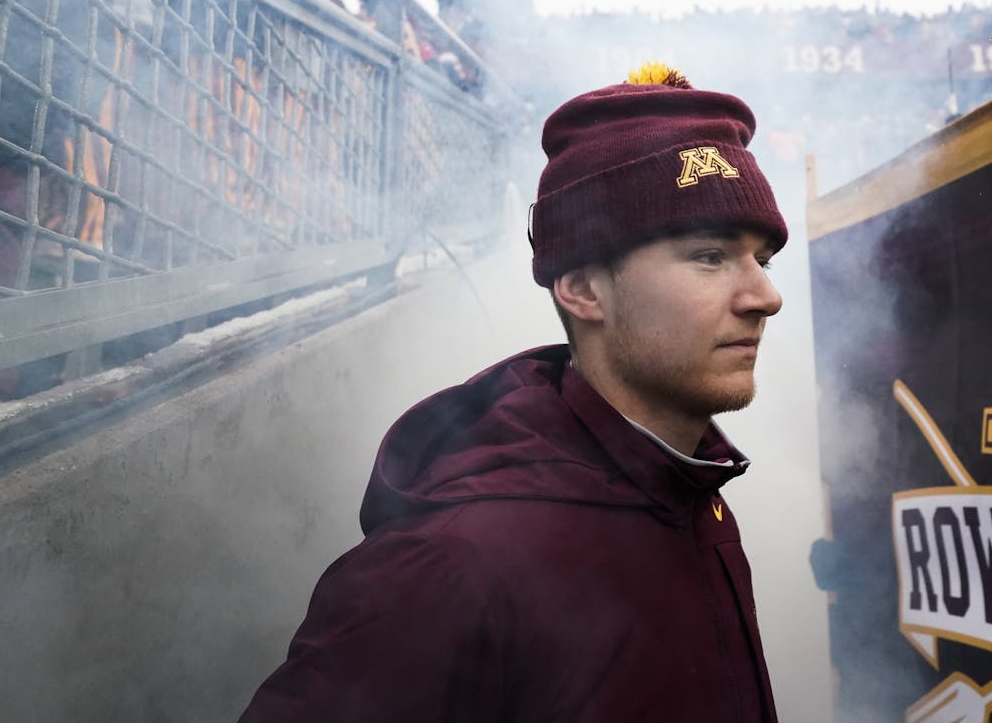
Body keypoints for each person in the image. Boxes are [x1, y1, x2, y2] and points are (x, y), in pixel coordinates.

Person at [239, 63, 786, 722]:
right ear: (582, 288)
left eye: (763, 259)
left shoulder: (695, 497)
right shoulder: (447, 569)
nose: (766, 296)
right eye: (709, 256)